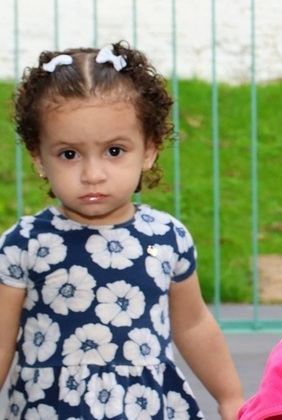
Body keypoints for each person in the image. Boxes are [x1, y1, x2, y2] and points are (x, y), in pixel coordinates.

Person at [0, 41, 244, 418]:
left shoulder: (166, 238)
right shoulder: (25, 244)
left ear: (149, 149)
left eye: (114, 151)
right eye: (69, 154)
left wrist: (230, 397)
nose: (93, 174)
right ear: (39, 158)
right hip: (51, 408)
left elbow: (194, 325)